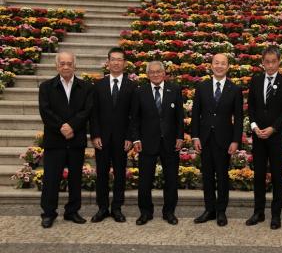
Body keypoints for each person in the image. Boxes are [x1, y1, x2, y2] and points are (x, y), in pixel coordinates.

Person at [38, 51, 93, 228]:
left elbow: (87, 111)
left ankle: (72, 211)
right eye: (62, 63)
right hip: (55, 140)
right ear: (57, 66)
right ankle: (48, 213)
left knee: (76, 178)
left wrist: (72, 126)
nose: (66, 66)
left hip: (76, 140)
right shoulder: (46, 87)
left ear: (74, 65)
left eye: (69, 63)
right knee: (51, 179)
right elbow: (45, 112)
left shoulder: (85, 87)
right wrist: (62, 126)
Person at [191, 53, 243, 227]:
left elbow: (239, 118)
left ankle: (221, 211)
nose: (220, 66)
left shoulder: (235, 89)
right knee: (207, 177)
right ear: (211, 65)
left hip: (224, 140)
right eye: (216, 63)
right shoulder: (202, 87)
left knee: (222, 176)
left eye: (223, 63)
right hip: (205, 140)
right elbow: (196, 115)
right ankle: (209, 210)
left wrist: (236, 141)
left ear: (228, 67)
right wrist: (195, 137)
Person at [130, 61, 184, 226]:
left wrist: (180, 137)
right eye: (151, 72)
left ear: (164, 73)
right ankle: (145, 212)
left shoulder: (174, 89)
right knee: (145, 181)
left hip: (170, 143)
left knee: (171, 180)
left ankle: (169, 212)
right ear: (147, 75)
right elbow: (134, 118)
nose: (155, 74)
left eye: (158, 72)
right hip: (147, 143)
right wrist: (136, 139)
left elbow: (179, 117)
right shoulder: (140, 92)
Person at [246, 46, 282, 230]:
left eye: (274, 61)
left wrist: (273, 128)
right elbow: (251, 107)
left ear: (279, 62)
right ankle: (258, 212)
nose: (271, 65)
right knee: (258, 175)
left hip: (276, 136)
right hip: (258, 136)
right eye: (267, 62)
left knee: (277, 176)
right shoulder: (256, 81)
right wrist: (255, 127)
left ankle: (275, 215)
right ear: (262, 63)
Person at [89, 47, 136, 223]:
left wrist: (130, 137)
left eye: (120, 59)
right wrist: (94, 135)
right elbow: (93, 114)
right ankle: (102, 208)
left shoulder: (132, 86)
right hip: (102, 139)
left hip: (122, 139)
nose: (116, 62)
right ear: (108, 62)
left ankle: (116, 208)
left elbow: (134, 115)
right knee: (101, 173)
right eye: (113, 59)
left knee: (120, 174)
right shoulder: (98, 85)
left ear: (124, 63)